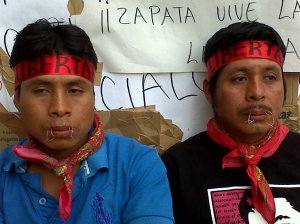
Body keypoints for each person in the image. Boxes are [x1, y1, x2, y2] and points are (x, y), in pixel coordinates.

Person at [0, 19, 174, 224]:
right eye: (41, 90)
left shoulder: (138, 164)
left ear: (93, 97)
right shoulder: (3, 172)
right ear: (17, 99)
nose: (59, 108)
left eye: (75, 90)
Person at [162, 21, 300, 224]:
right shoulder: (178, 167)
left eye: (270, 77)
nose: (257, 93)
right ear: (210, 91)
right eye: (240, 79)